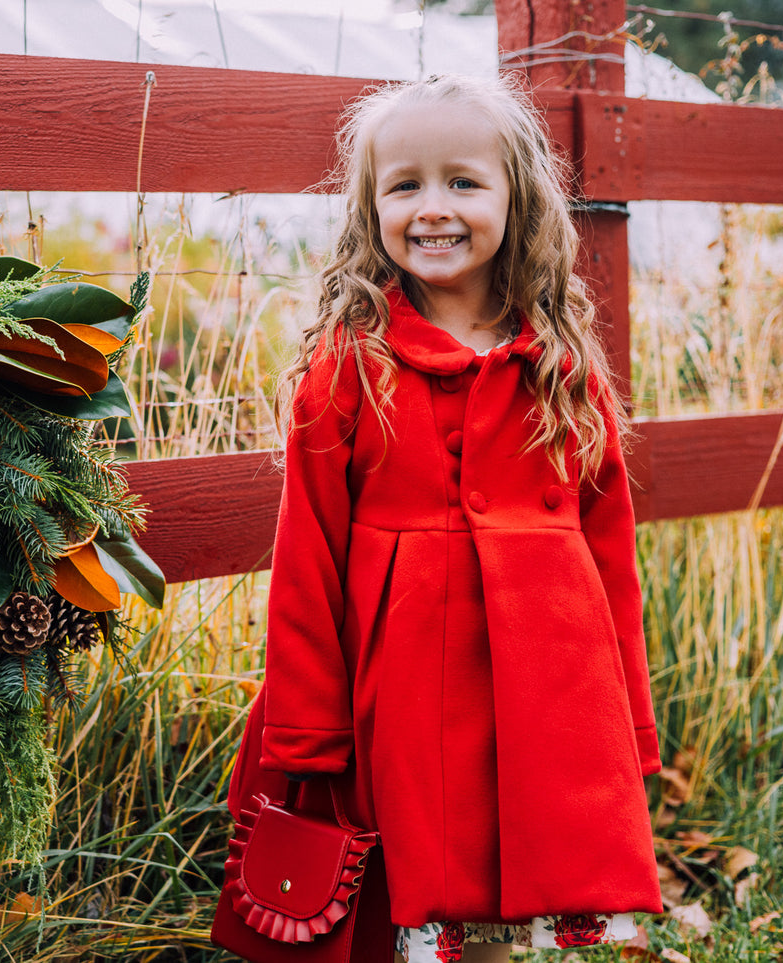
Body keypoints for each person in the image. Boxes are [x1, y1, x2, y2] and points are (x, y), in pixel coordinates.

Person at [223, 74, 664, 962]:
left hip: (546, 688)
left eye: (463, 182)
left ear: (517, 197)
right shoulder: (349, 369)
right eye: (405, 185)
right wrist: (309, 727)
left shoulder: (561, 369)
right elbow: (305, 555)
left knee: (498, 897)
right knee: (413, 891)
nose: (434, 208)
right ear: (370, 204)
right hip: (404, 686)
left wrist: (628, 718)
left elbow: (610, 556)